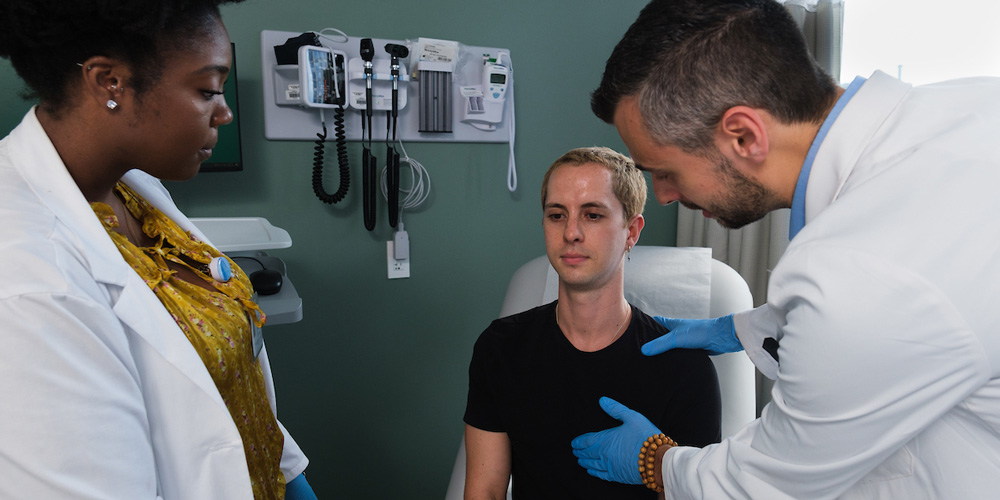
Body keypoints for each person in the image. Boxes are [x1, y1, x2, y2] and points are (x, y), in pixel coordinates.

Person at [570, 0, 1000, 498]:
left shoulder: (857, 271)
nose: (665, 194)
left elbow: (765, 484)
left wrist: (656, 461)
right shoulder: (972, 103)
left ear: (744, 135)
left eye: (665, 170)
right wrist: (743, 328)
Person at [0, 1, 317, 499]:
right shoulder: (28, 280)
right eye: (207, 89)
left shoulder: (132, 188)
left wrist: (291, 479)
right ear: (109, 82)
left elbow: (224, 386)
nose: (225, 111)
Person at [464, 146, 721, 499]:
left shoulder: (684, 367)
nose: (571, 232)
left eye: (593, 215)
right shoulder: (501, 348)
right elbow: (485, 490)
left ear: (631, 231)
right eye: (557, 215)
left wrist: (658, 462)